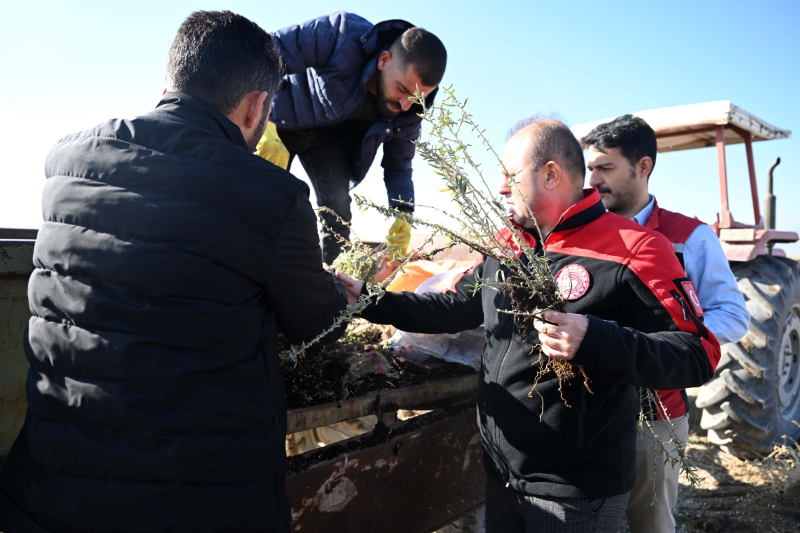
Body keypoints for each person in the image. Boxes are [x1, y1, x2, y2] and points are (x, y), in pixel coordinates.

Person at [0, 11, 347, 533]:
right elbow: (314, 322)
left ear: (167, 82)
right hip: (194, 504)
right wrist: (341, 294)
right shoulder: (273, 195)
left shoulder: (65, 160)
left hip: (45, 488)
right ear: (258, 107)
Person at [336, 118, 721, 533]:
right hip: (504, 478)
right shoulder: (509, 245)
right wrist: (369, 301)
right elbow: (454, 307)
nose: (501, 187)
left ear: (550, 173)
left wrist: (596, 339)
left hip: (577, 495)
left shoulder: (635, 248)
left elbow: (698, 354)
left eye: (509, 175)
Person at [581, 115, 750, 533]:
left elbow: (732, 316)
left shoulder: (689, 237)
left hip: (652, 416)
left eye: (605, 168)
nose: (593, 180)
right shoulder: (581, 233)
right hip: (586, 409)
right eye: (590, 168)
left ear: (643, 167)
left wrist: (643, 344)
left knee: (649, 522)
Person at [262, 11, 447, 264]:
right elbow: (269, 52)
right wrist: (263, 119)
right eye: (402, 89)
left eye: (416, 98)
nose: (405, 104)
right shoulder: (343, 35)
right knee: (263, 195)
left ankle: (334, 287)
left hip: (329, 141)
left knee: (338, 216)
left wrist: (404, 214)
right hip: (282, 118)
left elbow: (399, 164)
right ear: (383, 60)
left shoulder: (410, 112)